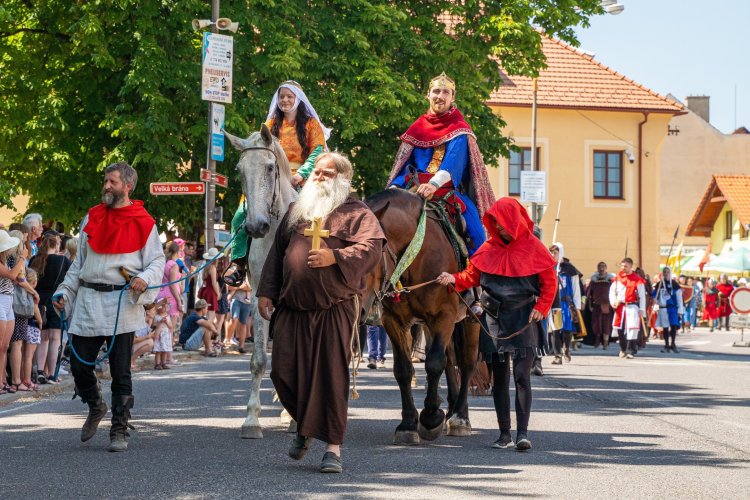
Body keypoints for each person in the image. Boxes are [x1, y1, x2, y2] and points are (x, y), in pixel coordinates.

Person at [258, 152, 385, 473]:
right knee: (282, 372)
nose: (317, 177)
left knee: (330, 377)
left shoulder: (358, 214)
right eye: (316, 171)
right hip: (292, 307)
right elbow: (277, 255)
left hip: (334, 308)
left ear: (343, 179)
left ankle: (333, 448)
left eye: (326, 173)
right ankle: (305, 424)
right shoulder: (295, 211)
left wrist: (335, 258)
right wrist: (266, 291)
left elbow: (372, 249)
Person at [52, 161, 165, 452]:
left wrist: (144, 278)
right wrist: (64, 291)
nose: (106, 186)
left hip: (121, 304)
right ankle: (95, 404)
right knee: (78, 365)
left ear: (128, 186)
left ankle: (119, 429)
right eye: (105, 180)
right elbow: (79, 264)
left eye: (112, 182)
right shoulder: (91, 218)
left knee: (120, 372)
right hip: (89, 302)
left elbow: (157, 261)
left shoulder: (144, 221)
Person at [437, 197, 556, 451]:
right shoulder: (488, 248)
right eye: (495, 223)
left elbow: (549, 282)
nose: (498, 228)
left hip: (524, 317)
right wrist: (453, 279)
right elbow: (471, 275)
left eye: (502, 223)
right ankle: (504, 435)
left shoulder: (535, 248)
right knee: (499, 379)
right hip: (493, 319)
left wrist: (542, 307)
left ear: (513, 220)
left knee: (522, 377)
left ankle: (522, 434)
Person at [224, 80, 331, 286]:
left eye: (289, 96)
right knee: (240, 215)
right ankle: (239, 263)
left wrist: (301, 173)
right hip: (271, 176)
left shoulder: (310, 124)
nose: (285, 100)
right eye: (282, 96)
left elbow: (317, 150)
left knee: (319, 216)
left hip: (301, 176)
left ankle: (321, 261)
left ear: (298, 99)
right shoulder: (271, 124)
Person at [386, 73, 494, 256]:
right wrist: (396, 186)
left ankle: (479, 277)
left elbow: (453, 163)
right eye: (436, 91)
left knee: (478, 235)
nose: (440, 96)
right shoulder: (417, 128)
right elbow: (406, 165)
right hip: (413, 189)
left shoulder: (459, 129)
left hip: (446, 193)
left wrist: (433, 185)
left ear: (453, 97)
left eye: (446, 92)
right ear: (428, 95)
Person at [29, 232, 72, 384]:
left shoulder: (35, 260)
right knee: (55, 339)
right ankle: (53, 373)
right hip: (56, 302)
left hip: (38, 302)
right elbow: (72, 279)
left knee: (43, 338)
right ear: (57, 245)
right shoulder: (63, 260)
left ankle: (40, 371)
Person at [0, 230, 27, 394]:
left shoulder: (6, 261)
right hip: (1, 300)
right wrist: (22, 258)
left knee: (4, 346)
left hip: (8, 301)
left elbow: (17, 277)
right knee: (0, 345)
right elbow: (11, 275)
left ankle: (2, 380)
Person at [548, 242, 581, 365]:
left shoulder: (569, 269)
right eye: (551, 252)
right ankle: (557, 355)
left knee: (567, 329)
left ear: (560, 253)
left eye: (555, 252)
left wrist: (577, 307)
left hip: (566, 304)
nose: (552, 254)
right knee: (555, 330)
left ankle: (566, 348)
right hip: (554, 304)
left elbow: (576, 288)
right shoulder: (548, 267)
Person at [609, 258, 646, 359]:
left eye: (625, 266)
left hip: (632, 306)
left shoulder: (637, 279)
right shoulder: (618, 279)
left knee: (632, 329)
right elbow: (612, 292)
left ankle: (630, 350)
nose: (623, 268)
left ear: (630, 267)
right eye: (622, 266)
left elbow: (642, 295)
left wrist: (642, 309)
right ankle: (623, 348)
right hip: (620, 306)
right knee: (619, 329)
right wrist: (613, 302)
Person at [653, 267, 684, 353]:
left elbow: (679, 298)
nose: (666, 274)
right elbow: (655, 294)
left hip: (673, 308)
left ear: (670, 273)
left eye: (668, 272)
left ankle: (673, 344)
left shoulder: (675, 285)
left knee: (673, 326)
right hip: (663, 308)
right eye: (664, 272)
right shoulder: (659, 285)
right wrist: (655, 299)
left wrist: (680, 310)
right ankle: (666, 345)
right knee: (665, 327)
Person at [587, 262, 614, 349]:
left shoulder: (611, 281)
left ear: (606, 268)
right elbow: (589, 294)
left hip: (607, 305)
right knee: (596, 325)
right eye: (600, 267)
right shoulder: (594, 281)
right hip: (596, 305)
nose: (601, 269)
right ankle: (597, 340)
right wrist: (590, 305)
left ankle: (605, 342)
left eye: (603, 267)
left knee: (606, 325)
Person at [151, 300, 173, 370]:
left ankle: (164, 363)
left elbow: (171, 326)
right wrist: (160, 322)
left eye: (163, 307)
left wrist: (167, 322)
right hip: (159, 335)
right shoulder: (156, 316)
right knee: (158, 350)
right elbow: (153, 325)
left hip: (166, 335)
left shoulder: (168, 317)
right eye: (160, 307)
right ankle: (157, 364)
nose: (161, 308)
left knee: (165, 350)